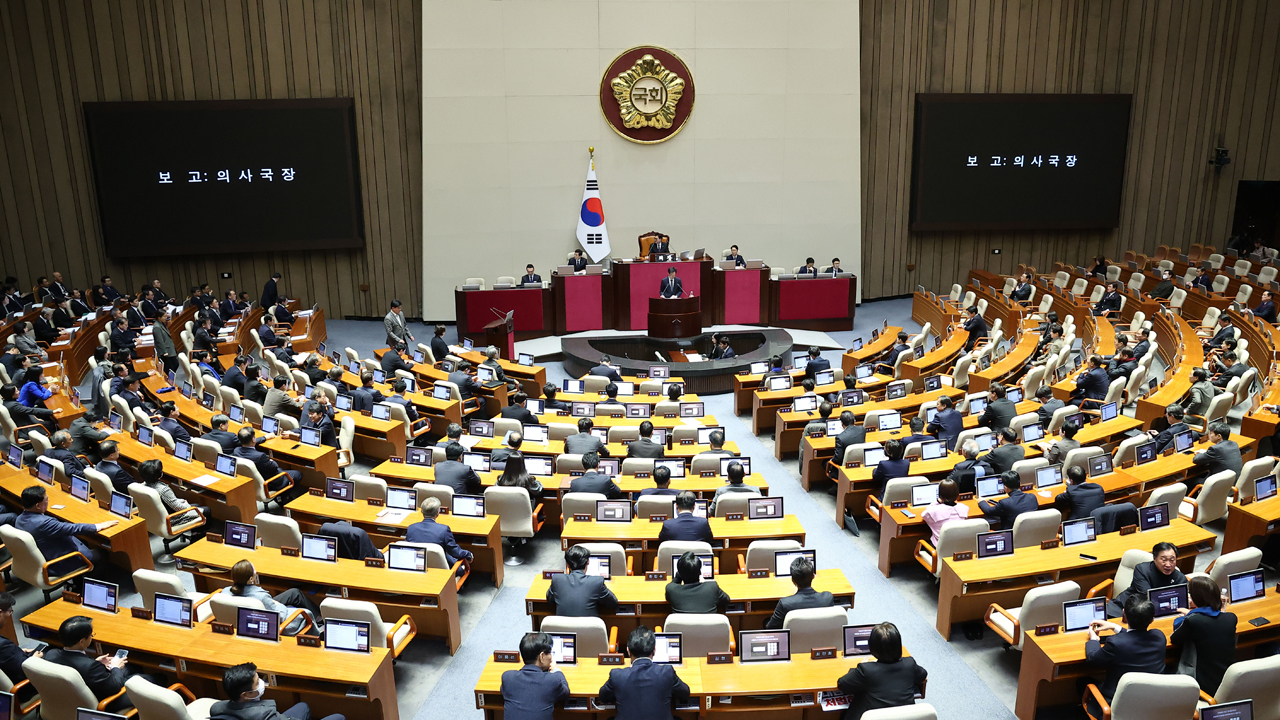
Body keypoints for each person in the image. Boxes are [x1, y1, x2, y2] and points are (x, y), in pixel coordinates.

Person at [44, 615, 162, 713]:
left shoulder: (51, 654)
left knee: (133, 666)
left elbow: (77, 668)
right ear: (82, 641)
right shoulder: (90, 667)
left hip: (73, 695)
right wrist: (115, 666)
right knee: (157, 678)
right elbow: (114, 686)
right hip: (104, 701)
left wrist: (96, 663)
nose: (91, 637)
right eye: (90, 635)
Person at [1083, 596, 1167, 718]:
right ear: (1152, 619)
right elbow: (1136, 637)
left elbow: (1092, 659)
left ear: (1124, 614)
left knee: (1083, 682)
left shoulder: (1115, 644)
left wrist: (1094, 640)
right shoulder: (1159, 637)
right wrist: (1114, 627)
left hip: (1116, 705)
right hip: (1151, 703)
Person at [16, 485, 116, 578]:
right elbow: (74, 528)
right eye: (46, 500)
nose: (48, 501)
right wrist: (99, 526)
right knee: (102, 554)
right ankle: (85, 584)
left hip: (47, 553)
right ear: (37, 506)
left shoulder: (19, 519)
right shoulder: (44, 523)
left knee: (84, 541)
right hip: (61, 562)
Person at [836, 622, 927, 720]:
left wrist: (858, 667)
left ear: (872, 647)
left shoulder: (866, 670)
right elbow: (923, 675)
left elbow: (842, 684)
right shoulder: (909, 664)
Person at [597, 626, 690, 720]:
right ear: (654, 649)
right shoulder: (666, 672)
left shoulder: (617, 675)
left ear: (628, 651)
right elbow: (685, 694)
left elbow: (603, 697)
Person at [1170, 575, 1237, 695]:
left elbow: (1174, 638)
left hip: (1202, 684)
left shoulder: (1193, 621)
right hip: (1226, 679)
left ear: (1196, 599)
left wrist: (1189, 615)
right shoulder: (1231, 618)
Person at [211, 661, 344, 720]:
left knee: (303, 707)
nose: (262, 683)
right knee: (339, 717)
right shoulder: (265, 715)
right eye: (258, 682)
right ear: (246, 695)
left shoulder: (216, 708)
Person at [222, 559, 322, 635]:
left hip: (248, 614)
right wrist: (278, 604)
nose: (256, 571)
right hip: (264, 617)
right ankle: (319, 623)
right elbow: (281, 617)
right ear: (251, 578)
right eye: (254, 570)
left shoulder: (225, 591)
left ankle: (319, 618)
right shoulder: (262, 596)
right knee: (296, 605)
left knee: (294, 593)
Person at [501, 632, 570, 720]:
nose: (551, 657)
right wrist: (556, 670)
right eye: (549, 653)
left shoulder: (508, 677)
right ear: (541, 656)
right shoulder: (552, 680)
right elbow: (565, 692)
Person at [1111, 541, 1187, 616]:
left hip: (1155, 614)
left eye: (1172, 560)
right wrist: (1166, 605)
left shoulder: (1180, 578)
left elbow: (1182, 602)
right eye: (1164, 560)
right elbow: (1146, 596)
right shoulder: (1142, 570)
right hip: (1125, 606)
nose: (1168, 564)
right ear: (1154, 558)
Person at [546, 545, 618, 617]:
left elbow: (550, 600)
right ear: (588, 562)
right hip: (589, 627)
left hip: (563, 628)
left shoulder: (557, 579)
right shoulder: (597, 582)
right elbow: (612, 603)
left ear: (567, 564)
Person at [765, 555, 833, 629]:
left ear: (793, 580)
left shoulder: (784, 604)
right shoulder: (828, 598)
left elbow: (770, 628)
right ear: (813, 576)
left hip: (793, 640)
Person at [138, 458, 207, 529]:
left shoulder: (142, 485)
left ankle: (195, 530)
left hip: (157, 516)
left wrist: (182, 501)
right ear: (160, 475)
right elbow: (178, 508)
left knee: (196, 505)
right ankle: (198, 535)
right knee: (206, 510)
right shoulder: (163, 490)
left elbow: (170, 502)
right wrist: (186, 504)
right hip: (172, 519)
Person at [406, 496, 473, 569]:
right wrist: (468, 554)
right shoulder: (444, 530)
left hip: (417, 566)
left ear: (422, 511)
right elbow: (455, 552)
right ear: (438, 513)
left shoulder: (411, 528)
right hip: (440, 570)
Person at [233, 427, 301, 491]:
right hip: (270, 482)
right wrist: (271, 460)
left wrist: (265, 438)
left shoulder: (236, 451)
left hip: (252, 482)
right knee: (298, 474)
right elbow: (274, 466)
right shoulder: (260, 456)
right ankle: (284, 497)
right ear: (253, 439)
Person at [922, 479, 968, 546]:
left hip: (939, 549)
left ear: (940, 494)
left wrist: (937, 502)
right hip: (959, 547)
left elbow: (924, 514)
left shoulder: (933, 511)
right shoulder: (964, 508)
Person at [830, 410, 867, 475]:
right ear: (854, 421)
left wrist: (831, 460)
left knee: (824, 463)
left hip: (845, 468)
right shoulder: (862, 430)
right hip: (860, 463)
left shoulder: (840, 437)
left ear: (841, 423)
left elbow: (838, 458)